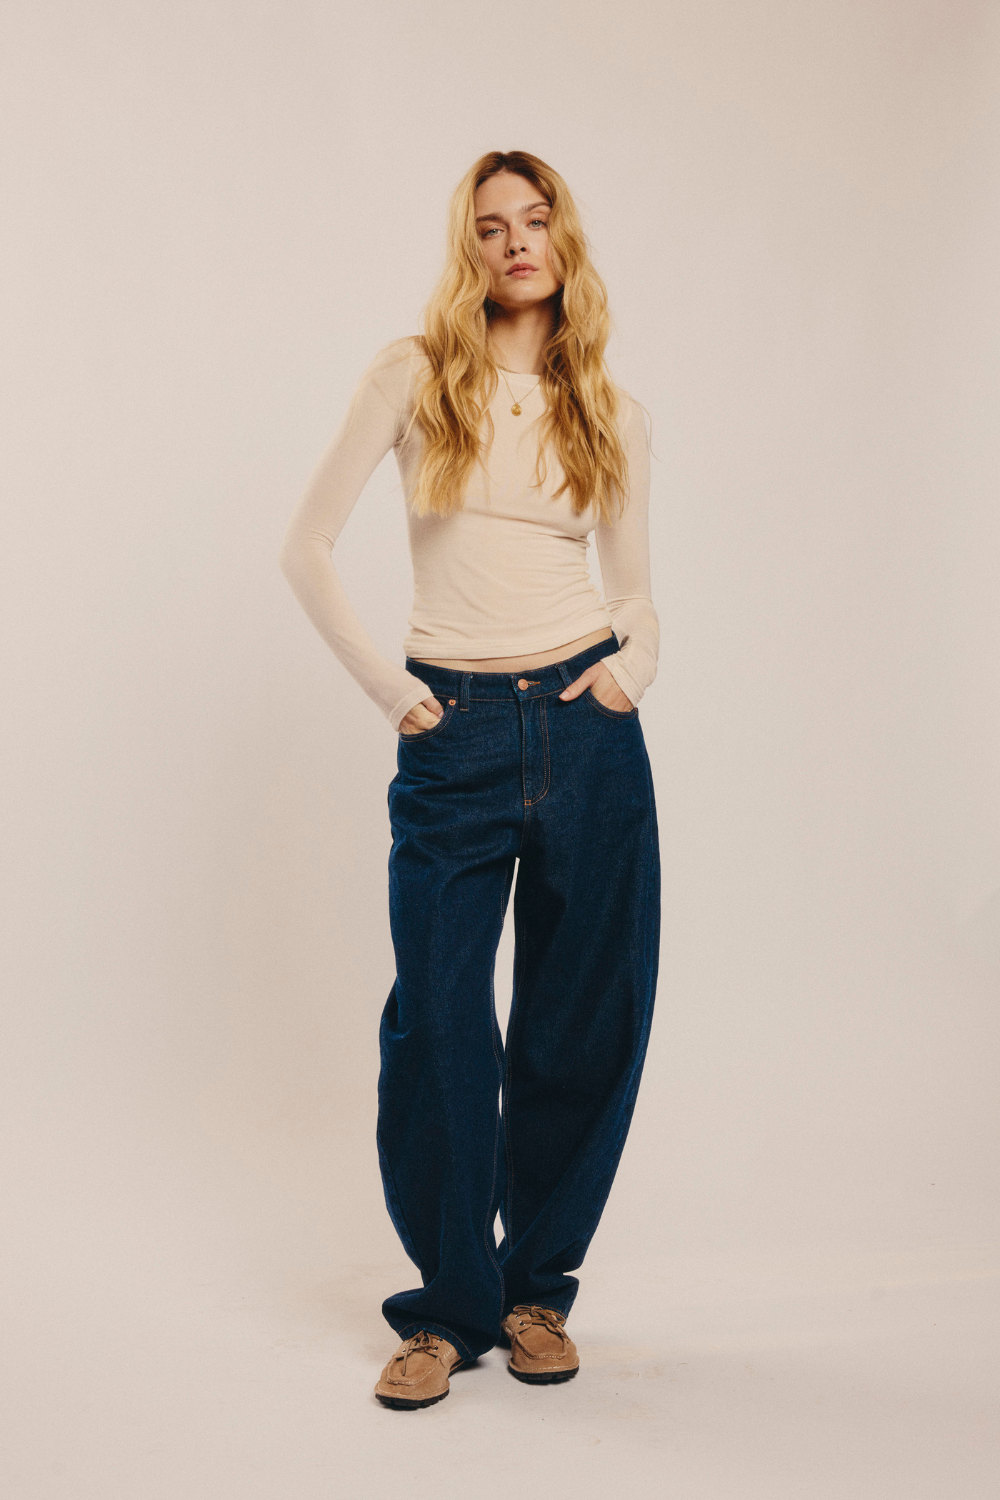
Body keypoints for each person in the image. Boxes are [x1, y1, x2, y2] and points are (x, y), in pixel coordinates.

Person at [278, 149, 661, 1409]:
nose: (515, 243)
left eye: (534, 221)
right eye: (491, 227)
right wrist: (395, 695)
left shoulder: (608, 408)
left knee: (581, 1018)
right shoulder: (412, 375)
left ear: (562, 239)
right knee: (438, 1021)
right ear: (469, 248)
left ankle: (535, 1291)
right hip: (454, 732)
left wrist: (633, 671)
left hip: (587, 729)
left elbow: (635, 590)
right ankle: (448, 1307)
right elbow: (305, 545)